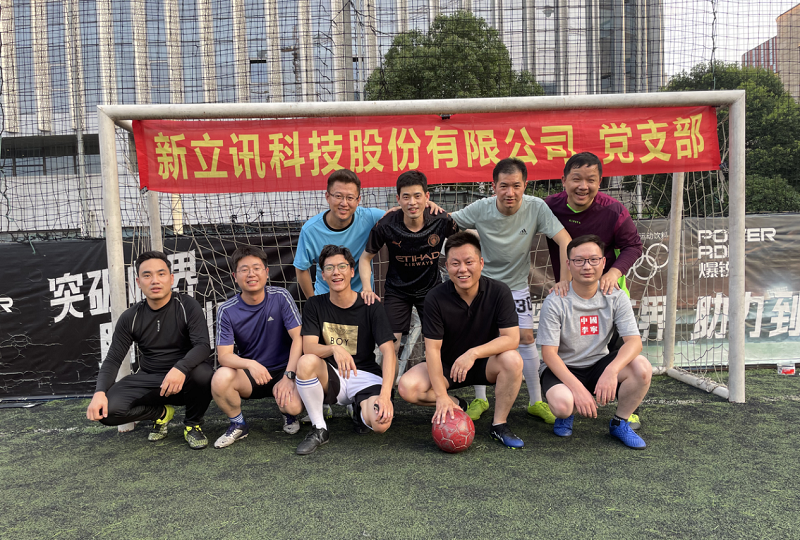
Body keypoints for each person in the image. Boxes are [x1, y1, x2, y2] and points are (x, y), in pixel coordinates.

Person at [450, 157, 572, 424]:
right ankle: (480, 399)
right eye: (504, 185)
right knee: (479, 340)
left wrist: (565, 280)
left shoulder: (536, 207)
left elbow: (565, 240)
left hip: (516, 286)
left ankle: (535, 401)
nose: (510, 192)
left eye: (516, 185)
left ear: (525, 185)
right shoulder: (481, 208)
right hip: (481, 286)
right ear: (493, 186)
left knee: (525, 338)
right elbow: (446, 222)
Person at [544, 151, 644, 428]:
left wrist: (614, 272)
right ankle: (568, 400)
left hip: (606, 292)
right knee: (567, 350)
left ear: (600, 182)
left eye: (591, 180)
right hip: (569, 293)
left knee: (623, 356)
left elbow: (633, 245)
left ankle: (627, 410)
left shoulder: (613, 210)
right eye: (576, 179)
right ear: (563, 181)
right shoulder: (549, 207)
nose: (583, 186)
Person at [398, 232, 525, 449]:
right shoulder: (435, 297)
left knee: (513, 360)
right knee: (407, 388)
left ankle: (499, 425)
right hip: (447, 366)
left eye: (469, 262)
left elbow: (512, 338)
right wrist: (441, 396)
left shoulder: (499, 291)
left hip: (484, 364)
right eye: (455, 263)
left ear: (481, 263)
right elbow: (432, 350)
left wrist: (473, 353)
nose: (462, 269)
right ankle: (457, 404)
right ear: (447, 266)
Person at [86, 251, 213, 450]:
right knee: (108, 411)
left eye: (161, 274)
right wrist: (99, 392)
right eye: (147, 275)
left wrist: (180, 368)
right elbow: (113, 359)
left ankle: (193, 424)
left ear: (171, 278)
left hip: (184, 380)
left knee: (204, 374)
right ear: (138, 282)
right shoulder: (131, 317)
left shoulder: (187, 305)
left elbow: (203, 346)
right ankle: (161, 414)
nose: (155, 280)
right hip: (150, 380)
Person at [537, 235, 651, 449]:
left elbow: (634, 342)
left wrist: (612, 371)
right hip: (564, 368)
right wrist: (578, 390)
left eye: (593, 260)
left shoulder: (616, 296)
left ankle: (620, 423)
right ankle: (567, 415)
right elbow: (549, 354)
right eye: (579, 260)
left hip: (598, 364)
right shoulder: (555, 300)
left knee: (642, 367)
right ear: (569, 264)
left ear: (603, 262)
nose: (587, 266)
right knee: (563, 406)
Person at [294, 245, 397, 455]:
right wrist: (334, 348)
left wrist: (385, 396)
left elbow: (389, 352)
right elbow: (308, 347)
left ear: (352, 271)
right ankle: (320, 428)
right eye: (329, 268)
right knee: (305, 362)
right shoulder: (314, 304)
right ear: (323, 275)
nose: (336, 272)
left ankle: (359, 410)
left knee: (381, 423)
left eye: (342, 266)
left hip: (365, 376)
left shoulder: (371, 305)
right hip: (333, 376)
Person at [211, 246, 304, 448]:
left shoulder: (281, 296)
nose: (251, 274)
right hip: (252, 375)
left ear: (266, 272)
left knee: (294, 407)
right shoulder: (226, 310)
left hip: (283, 370)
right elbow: (224, 356)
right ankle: (238, 424)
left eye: (256, 268)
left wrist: (289, 376)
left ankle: (288, 414)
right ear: (235, 276)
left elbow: (299, 338)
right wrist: (250, 364)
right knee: (220, 378)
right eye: (244, 270)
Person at [359, 170, 459, 356]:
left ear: (427, 197)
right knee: (391, 346)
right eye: (406, 197)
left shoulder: (441, 220)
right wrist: (366, 288)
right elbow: (365, 258)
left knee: (438, 344)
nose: (412, 202)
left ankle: (435, 376)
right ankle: (389, 377)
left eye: (417, 196)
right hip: (397, 291)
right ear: (398, 199)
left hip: (431, 289)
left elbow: (461, 247)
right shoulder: (387, 224)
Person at [293, 169, 385, 298]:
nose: (344, 203)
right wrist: (313, 302)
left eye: (350, 198)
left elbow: (398, 215)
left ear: (358, 200)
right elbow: (301, 268)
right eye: (338, 196)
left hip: (361, 298)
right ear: (327, 197)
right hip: (326, 299)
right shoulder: (310, 230)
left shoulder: (370, 218)